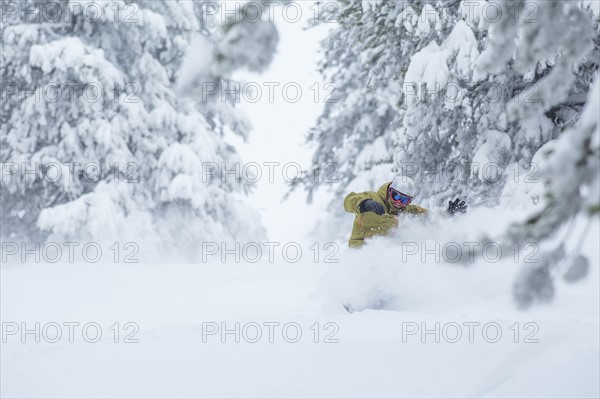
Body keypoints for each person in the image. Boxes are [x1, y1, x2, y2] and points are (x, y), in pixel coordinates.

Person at [343, 176, 467, 248]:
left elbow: (429, 219)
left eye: (404, 199)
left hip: (385, 258)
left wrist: (447, 215)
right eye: (396, 196)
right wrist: (363, 204)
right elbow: (348, 201)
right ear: (389, 191)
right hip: (360, 252)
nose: (399, 202)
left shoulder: (406, 211)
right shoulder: (373, 198)